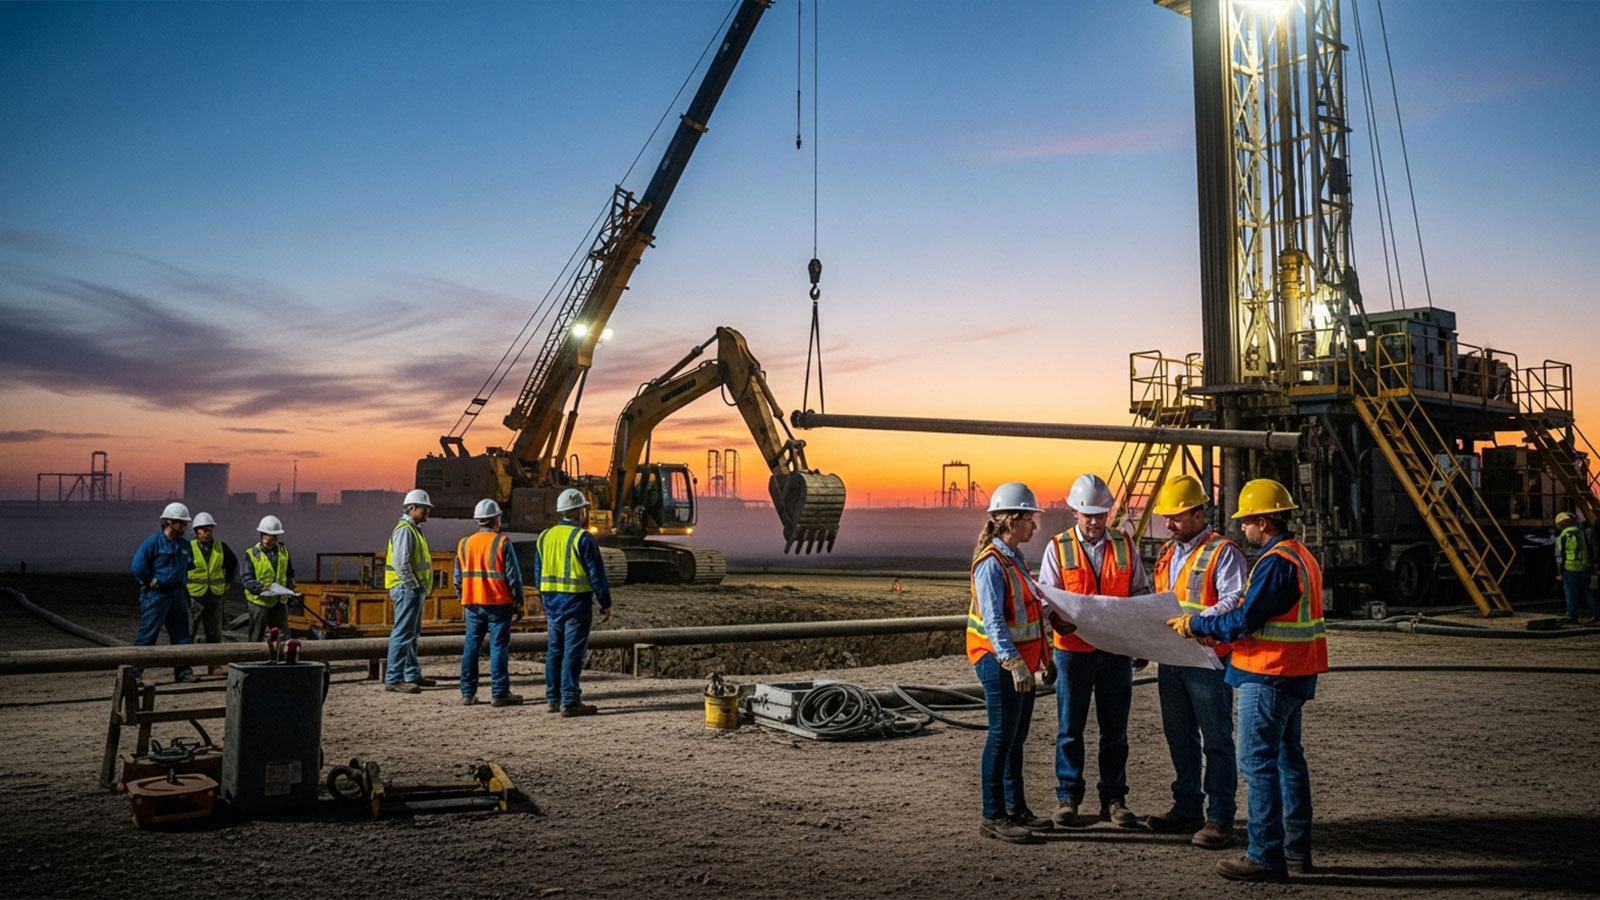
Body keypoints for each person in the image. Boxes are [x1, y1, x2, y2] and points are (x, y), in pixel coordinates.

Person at [1166, 478, 1328, 882]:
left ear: (1263, 522)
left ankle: (1264, 855)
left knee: (1257, 764)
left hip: (1269, 674)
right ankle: (1295, 851)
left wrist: (1197, 624)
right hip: (1295, 673)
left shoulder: (1275, 562)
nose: (1242, 528)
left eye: (1247, 521)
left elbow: (1244, 620)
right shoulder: (1300, 556)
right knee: (1289, 761)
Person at [1040, 473, 1149, 829]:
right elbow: (1046, 597)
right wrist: (1055, 619)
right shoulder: (1058, 547)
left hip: (1116, 651)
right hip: (1073, 652)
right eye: (1088, 515)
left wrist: (1139, 640)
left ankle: (1114, 800)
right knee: (1070, 728)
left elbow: (1140, 594)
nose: (1095, 522)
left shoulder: (1124, 544)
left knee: (1115, 731)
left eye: (1101, 515)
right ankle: (1068, 798)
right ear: (1074, 512)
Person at [1144, 474, 1246, 849]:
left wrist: (1197, 621)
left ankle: (1220, 817)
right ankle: (1187, 807)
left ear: (1198, 514)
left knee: (1216, 739)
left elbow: (1235, 598)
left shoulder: (1224, 552)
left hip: (1207, 659)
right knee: (1180, 736)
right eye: (1166, 518)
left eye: (1176, 517)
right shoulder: (1167, 553)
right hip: (1172, 658)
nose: (1168, 525)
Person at [967, 482, 1055, 844]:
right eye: (1029, 519)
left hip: (1022, 662)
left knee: (1016, 738)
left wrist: (1045, 657)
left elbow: (1028, 614)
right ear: (1010, 521)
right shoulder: (991, 564)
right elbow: (993, 621)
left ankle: (1016, 808)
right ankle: (993, 815)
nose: (1035, 525)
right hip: (999, 662)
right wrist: (1012, 662)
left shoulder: (1013, 559)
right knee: (1002, 737)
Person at [534, 488, 612, 717]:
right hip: (576, 602)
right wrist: (605, 602)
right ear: (580, 512)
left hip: (551, 602)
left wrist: (544, 598)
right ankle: (570, 700)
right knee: (573, 652)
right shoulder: (582, 538)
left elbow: (538, 573)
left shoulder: (544, 536)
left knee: (555, 650)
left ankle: (553, 698)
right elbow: (596, 573)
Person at [454, 499, 525, 707]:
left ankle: (467, 693)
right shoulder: (502, 542)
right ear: (496, 520)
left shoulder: (464, 543)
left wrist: (463, 597)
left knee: (471, 647)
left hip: (472, 604)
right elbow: (513, 577)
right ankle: (500, 693)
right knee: (499, 647)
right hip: (498, 604)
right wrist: (519, 602)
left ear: (478, 520)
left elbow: (457, 578)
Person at [130, 502, 197, 683]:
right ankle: (133, 674)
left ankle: (183, 672)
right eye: (181, 522)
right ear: (169, 522)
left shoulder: (184, 544)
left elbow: (189, 564)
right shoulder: (152, 543)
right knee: (148, 634)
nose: (184, 526)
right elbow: (138, 566)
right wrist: (150, 580)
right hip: (157, 596)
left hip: (177, 594)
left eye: (185, 523)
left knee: (182, 635)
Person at [384, 489, 436, 694]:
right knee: (403, 634)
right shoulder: (405, 530)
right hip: (406, 588)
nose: (427, 511)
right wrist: (413, 585)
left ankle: (411, 674)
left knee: (411, 634)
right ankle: (394, 678)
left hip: (411, 589)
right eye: (424, 508)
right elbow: (401, 564)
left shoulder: (412, 529)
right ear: (412, 508)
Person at [185, 512, 238, 674]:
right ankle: (183, 668)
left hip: (215, 597)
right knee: (188, 633)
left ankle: (214, 666)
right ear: (196, 531)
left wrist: (228, 581)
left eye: (209, 529)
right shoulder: (188, 548)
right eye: (203, 529)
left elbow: (233, 563)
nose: (206, 532)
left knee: (214, 635)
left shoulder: (221, 547)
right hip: (195, 597)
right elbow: (180, 567)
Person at [239, 515, 295, 642]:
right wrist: (261, 588)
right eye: (266, 534)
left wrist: (290, 589)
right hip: (260, 602)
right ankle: (255, 655)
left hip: (279, 601)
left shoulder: (283, 551)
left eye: (272, 535)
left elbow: (289, 573)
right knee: (256, 636)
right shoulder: (252, 553)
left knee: (282, 636)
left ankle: (279, 653)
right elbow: (246, 578)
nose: (268, 537)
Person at [1554, 512, 1599, 624]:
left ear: (1560, 523)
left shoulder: (1563, 535)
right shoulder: (1580, 532)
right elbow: (1588, 548)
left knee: (1570, 593)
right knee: (1585, 591)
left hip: (1570, 567)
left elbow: (1561, 555)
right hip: (1584, 566)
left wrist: (1560, 572)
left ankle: (1572, 616)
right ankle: (1597, 613)